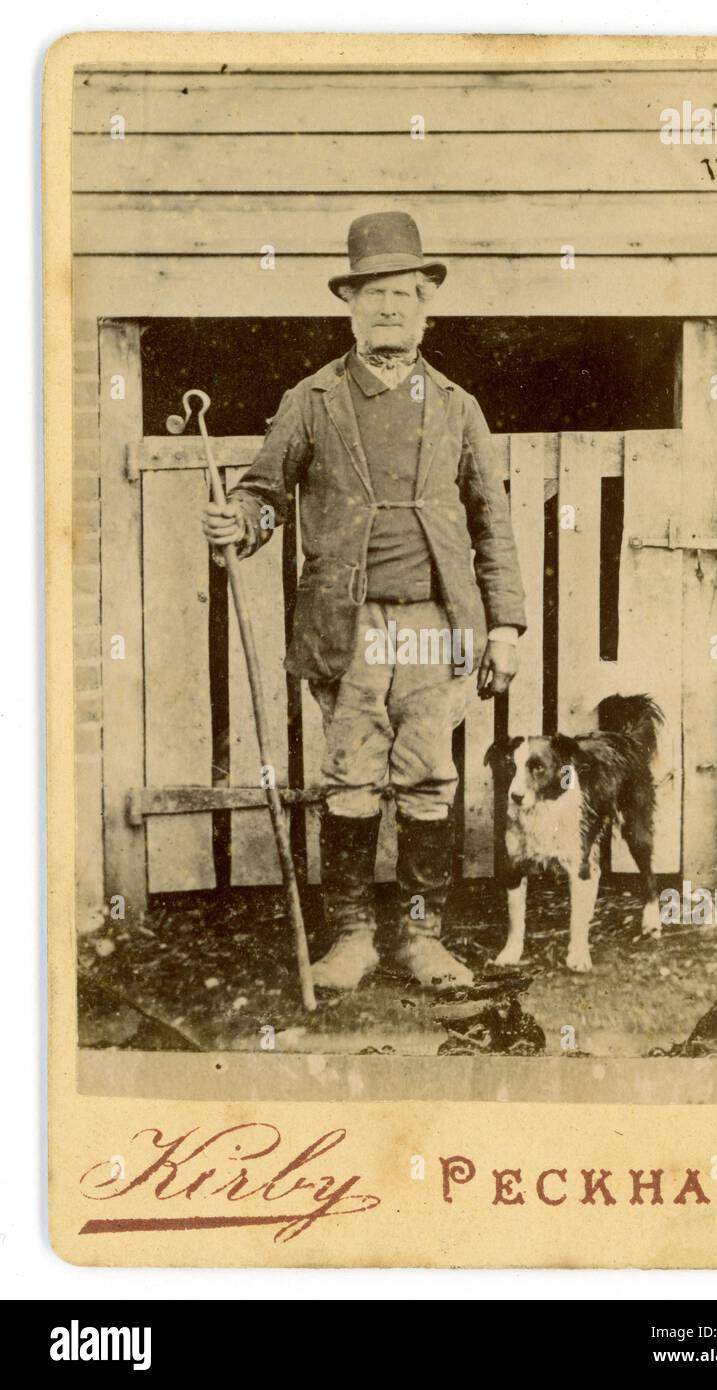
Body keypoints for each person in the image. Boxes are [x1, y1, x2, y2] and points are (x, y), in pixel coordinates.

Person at [203, 211, 526, 991]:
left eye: (404, 294)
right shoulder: (311, 401)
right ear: (350, 305)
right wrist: (241, 521)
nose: (389, 308)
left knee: (427, 777)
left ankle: (421, 938)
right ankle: (352, 939)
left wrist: (506, 625)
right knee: (351, 776)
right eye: (374, 293)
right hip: (347, 626)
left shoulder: (457, 406)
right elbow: (264, 493)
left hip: (433, 626)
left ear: (427, 308)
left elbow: (493, 521)